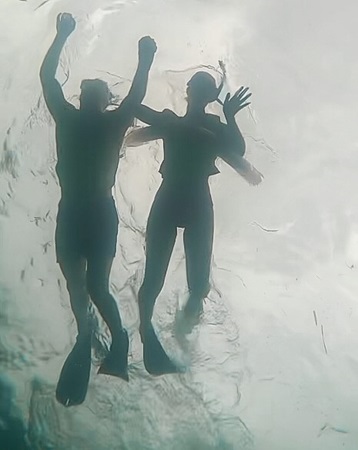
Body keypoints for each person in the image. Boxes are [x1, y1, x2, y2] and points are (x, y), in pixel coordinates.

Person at [40, 12, 157, 405]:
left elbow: (135, 97)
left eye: (98, 90)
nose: (92, 92)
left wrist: (145, 61)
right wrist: (61, 35)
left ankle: (118, 335)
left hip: (93, 213)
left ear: (105, 100)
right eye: (88, 89)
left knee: (94, 285)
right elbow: (47, 80)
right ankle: (86, 332)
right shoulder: (71, 120)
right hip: (74, 212)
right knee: (79, 284)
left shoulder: (104, 124)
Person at [126, 70, 261, 375]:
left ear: (207, 95)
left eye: (202, 88)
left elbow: (237, 151)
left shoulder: (210, 126)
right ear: (189, 92)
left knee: (199, 286)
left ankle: (182, 329)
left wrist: (230, 116)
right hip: (174, 198)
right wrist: (143, 66)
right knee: (154, 278)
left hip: (196, 201)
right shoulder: (172, 121)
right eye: (194, 87)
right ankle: (148, 333)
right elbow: (136, 109)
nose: (194, 91)